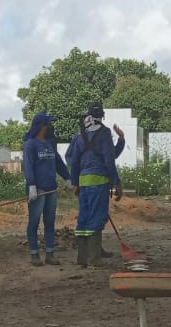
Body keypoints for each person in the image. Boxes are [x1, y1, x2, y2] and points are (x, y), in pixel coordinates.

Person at [64, 102, 125, 267]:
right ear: (103, 116)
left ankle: (82, 258)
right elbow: (109, 159)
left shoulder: (80, 135)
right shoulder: (104, 133)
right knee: (97, 218)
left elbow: (72, 159)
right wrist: (116, 183)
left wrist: (75, 182)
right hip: (99, 182)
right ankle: (94, 259)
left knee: (83, 218)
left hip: (84, 183)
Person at [21, 112, 71, 266]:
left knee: (50, 221)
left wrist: (67, 177)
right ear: (41, 125)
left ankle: (50, 254)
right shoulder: (30, 144)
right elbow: (28, 166)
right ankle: (34, 254)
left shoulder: (50, 143)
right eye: (48, 123)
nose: (50, 126)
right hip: (38, 189)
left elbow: (58, 162)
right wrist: (32, 186)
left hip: (51, 190)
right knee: (34, 221)